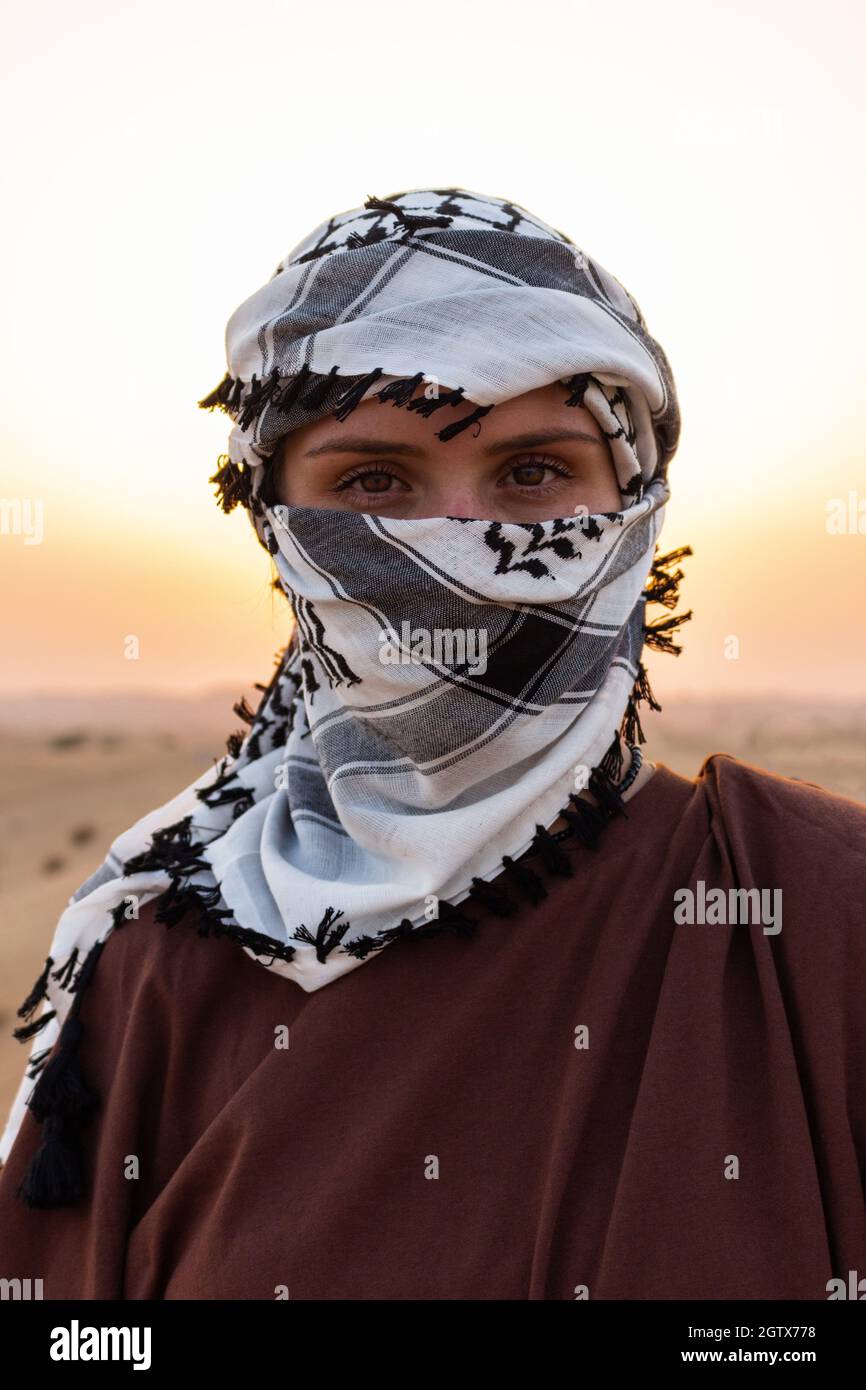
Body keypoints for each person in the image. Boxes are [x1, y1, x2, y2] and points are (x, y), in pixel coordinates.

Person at [0, 187, 864, 1301]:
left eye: (532, 471)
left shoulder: (813, 911)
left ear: (635, 504)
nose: (457, 543)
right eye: (372, 482)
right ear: (276, 525)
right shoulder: (155, 966)